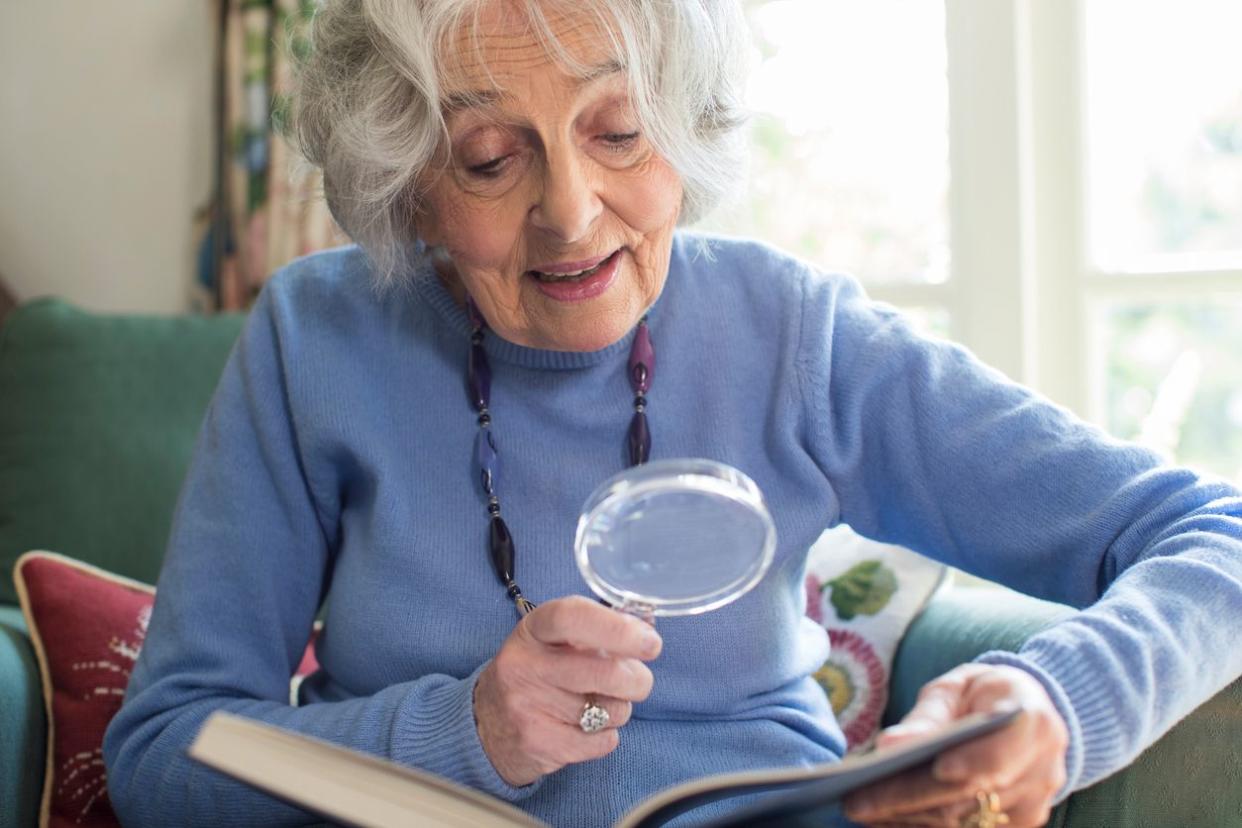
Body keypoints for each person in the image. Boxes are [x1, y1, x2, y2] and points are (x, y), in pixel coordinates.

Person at [103, 1, 1242, 826]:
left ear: (687, 128)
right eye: (491, 157)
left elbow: (1217, 535)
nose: (571, 214)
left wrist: (1055, 700)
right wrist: (468, 736)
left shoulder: (793, 334)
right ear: (405, 179)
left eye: (617, 132)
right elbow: (163, 756)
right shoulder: (319, 338)